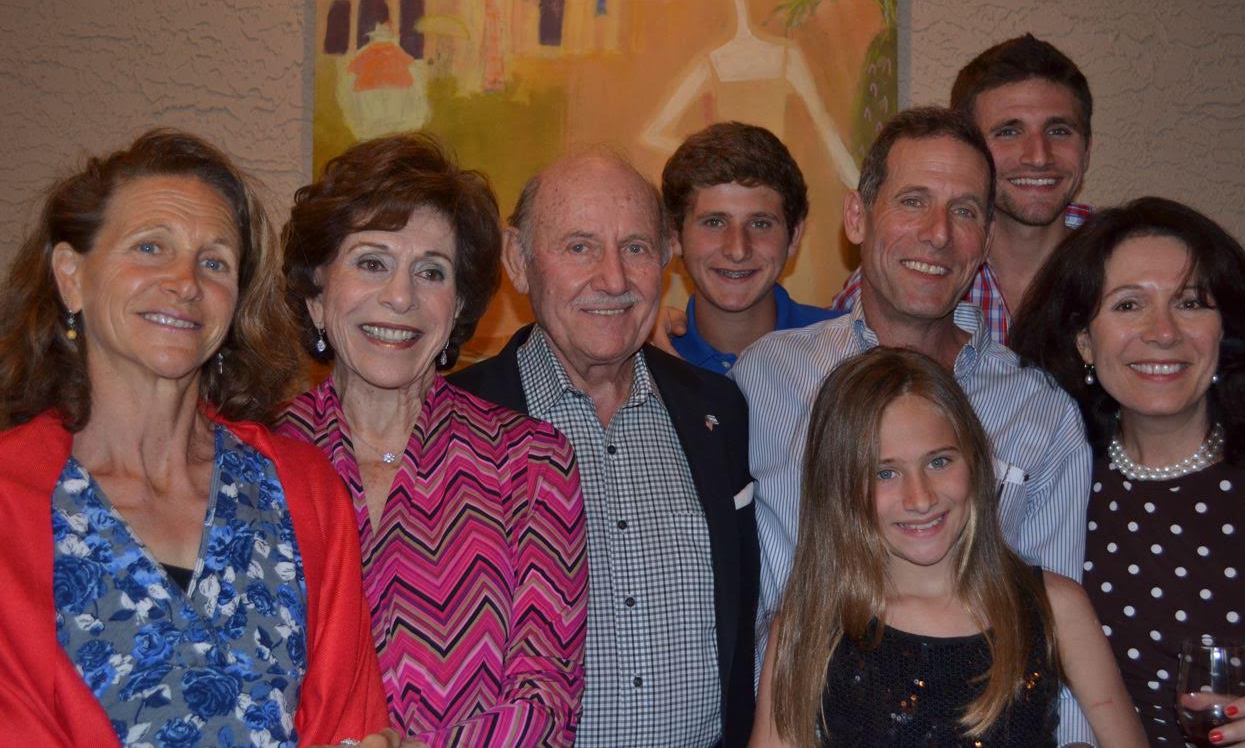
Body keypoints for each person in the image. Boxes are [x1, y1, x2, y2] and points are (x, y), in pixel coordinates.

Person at [0, 130, 392, 745]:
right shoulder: (8, 501)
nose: (185, 282)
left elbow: (353, 727)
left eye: (214, 262)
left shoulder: (304, 491)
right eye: (150, 247)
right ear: (71, 277)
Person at [733, 106, 1096, 745]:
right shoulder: (768, 380)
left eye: (964, 211)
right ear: (857, 217)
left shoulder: (1039, 414)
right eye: (913, 201)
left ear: (985, 239)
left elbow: (1060, 666)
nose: (938, 235)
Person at [275, 134, 588, 744]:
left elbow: (547, 696)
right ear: (317, 294)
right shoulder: (252, 460)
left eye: (431, 272)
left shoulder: (530, 462)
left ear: (458, 306)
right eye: (371, 262)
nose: (400, 296)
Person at [450, 152, 759, 748]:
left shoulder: (718, 411)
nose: (615, 280)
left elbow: (747, 619)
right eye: (580, 247)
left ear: (666, 258)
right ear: (518, 260)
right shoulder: (451, 422)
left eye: (637, 248)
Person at [750, 348, 1145, 747]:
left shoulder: (1056, 607)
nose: (920, 498)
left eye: (939, 462)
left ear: (976, 461)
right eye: (885, 473)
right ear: (839, 488)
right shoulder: (808, 628)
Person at [1011, 196, 1245, 746]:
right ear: (1084, 339)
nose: (1163, 333)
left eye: (1191, 303)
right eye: (1128, 306)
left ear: (1224, 333)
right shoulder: (1053, 488)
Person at [833, 34, 1094, 341]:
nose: (1038, 157)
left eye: (1059, 131)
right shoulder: (899, 279)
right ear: (965, 147)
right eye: (1009, 132)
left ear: (1087, 150)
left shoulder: (1122, 264)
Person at [657, 121, 841, 373]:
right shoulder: (649, 362)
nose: (738, 250)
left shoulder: (848, 353)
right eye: (714, 222)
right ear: (675, 236)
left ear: (794, 236)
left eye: (760, 224)